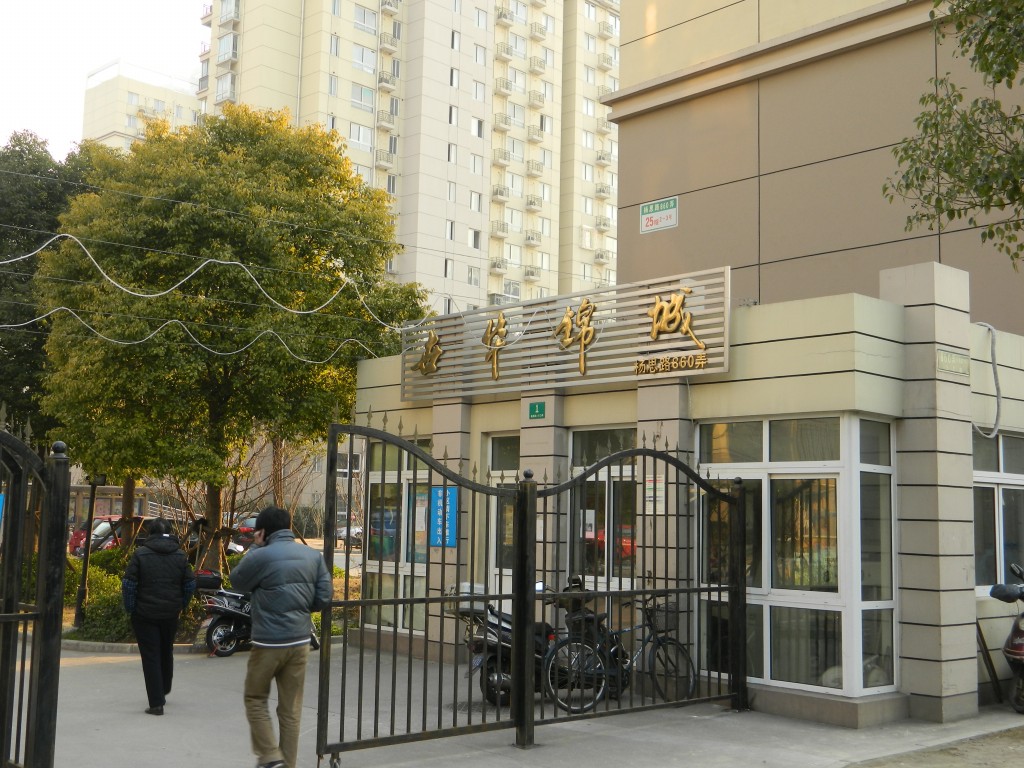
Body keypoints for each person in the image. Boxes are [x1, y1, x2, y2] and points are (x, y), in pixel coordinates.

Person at [231, 505, 332, 768]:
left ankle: (270, 756)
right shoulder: (313, 556)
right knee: (291, 710)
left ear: (262, 532)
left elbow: (237, 581)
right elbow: (323, 597)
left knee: (255, 698)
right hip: (299, 641)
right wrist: (299, 609)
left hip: (268, 642)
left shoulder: (261, 556)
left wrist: (255, 548)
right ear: (288, 527)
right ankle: (288, 765)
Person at [121, 517, 196, 716]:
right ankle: (164, 688)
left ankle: (156, 703)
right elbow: (190, 584)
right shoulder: (180, 555)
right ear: (170, 532)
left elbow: (129, 584)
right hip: (171, 612)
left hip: (144, 614)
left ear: (150, 533)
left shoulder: (140, 554)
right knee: (166, 650)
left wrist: (131, 608)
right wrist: (181, 604)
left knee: (151, 656)